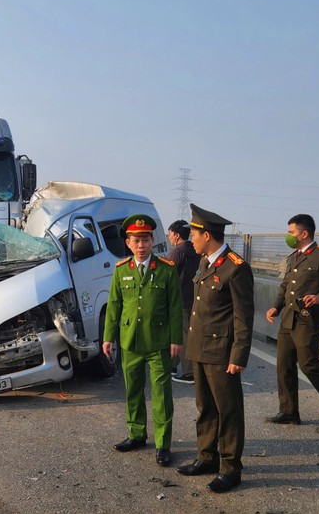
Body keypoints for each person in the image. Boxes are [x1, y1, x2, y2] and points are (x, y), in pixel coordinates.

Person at [176, 204, 254, 493]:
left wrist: (239, 355)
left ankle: (231, 468)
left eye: (193, 234)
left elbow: (243, 316)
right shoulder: (206, 262)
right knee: (205, 407)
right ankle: (207, 457)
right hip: (200, 349)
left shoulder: (236, 267)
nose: (190, 239)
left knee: (229, 410)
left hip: (222, 353)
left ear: (207, 235)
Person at [103, 214, 183, 467]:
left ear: (152, 242)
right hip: (130, 343)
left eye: (146, 239)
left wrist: (175, 340)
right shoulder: (121, 269)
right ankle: (136, 434)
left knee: (161, 395)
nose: (141, 245)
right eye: (136, 240)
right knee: (133, 392)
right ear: (128, 243)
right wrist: (108, 338)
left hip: (158, 342)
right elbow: (114, 305)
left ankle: (163, 444)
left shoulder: (167, 270)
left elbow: (175, 307)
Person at [265, 214, 319, 423]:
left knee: (309, 365)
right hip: (288, 318)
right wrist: (275, 307)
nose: (288, 236)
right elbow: (286, 285)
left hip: (308, 319)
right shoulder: (293, 257)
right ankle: (288, 412)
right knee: (284, 365)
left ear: (304, 234)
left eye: (291, 232)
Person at [167, 219, 200, 384]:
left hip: (178, 300)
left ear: (177, 235)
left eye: (170, 234)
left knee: (182, 334)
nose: (169, 237)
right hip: (194, 298)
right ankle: (172, 365)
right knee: (186, 333)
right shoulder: (197, 250)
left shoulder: (176, 253)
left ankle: (189, 372)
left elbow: (167, 277)